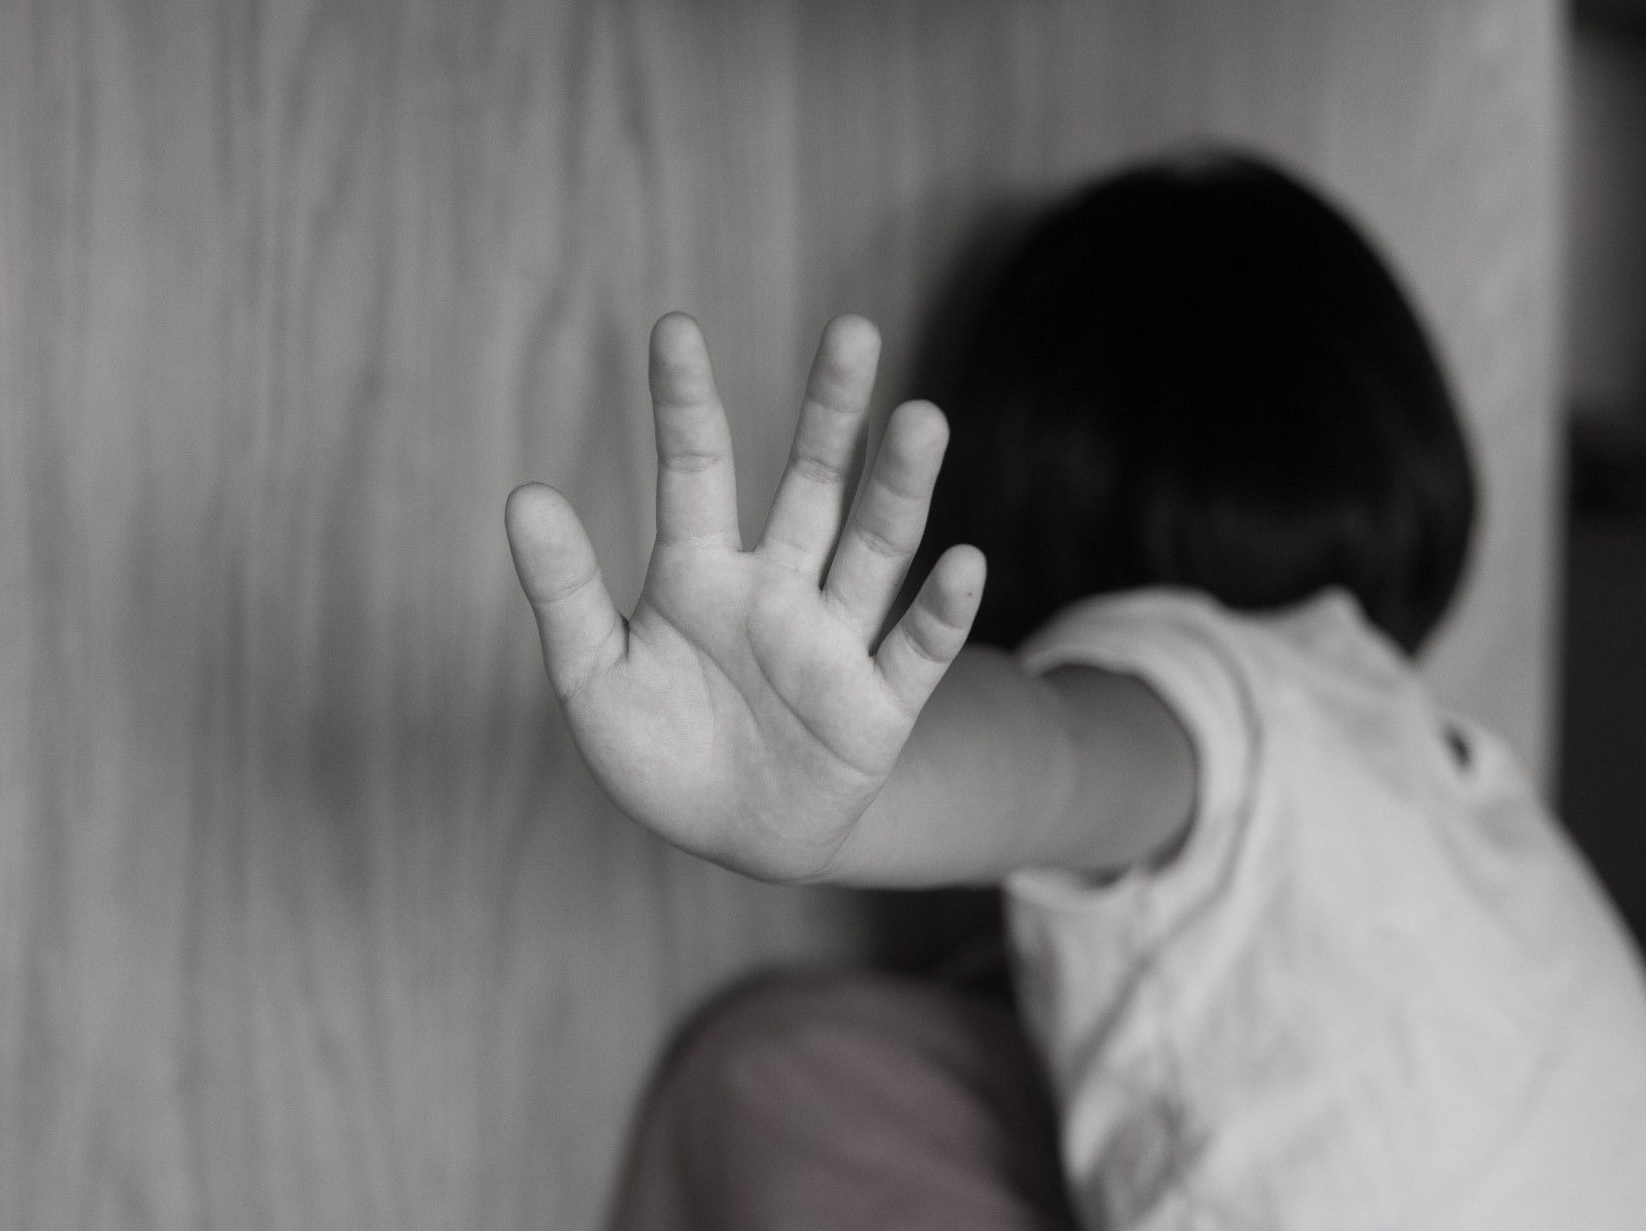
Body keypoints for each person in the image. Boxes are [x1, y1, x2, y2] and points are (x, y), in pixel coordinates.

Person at [502, 151, 1646, 1229]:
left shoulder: (1201, 685)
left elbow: (1054, 755)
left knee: (768, 1073)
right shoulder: (1449, 774)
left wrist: (864, 801)